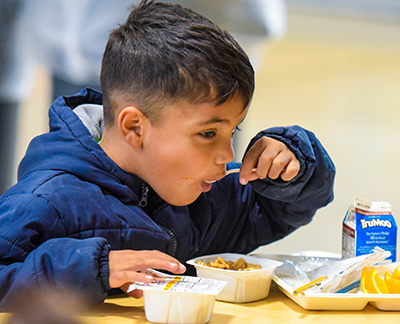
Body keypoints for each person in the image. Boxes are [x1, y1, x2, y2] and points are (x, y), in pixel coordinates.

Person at [0, 0, 335, 311]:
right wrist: (93, 267)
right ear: (134, 127)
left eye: (232, 131)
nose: (227, 154)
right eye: (208, 134)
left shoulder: (200, 196)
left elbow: (276, 211)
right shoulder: (47, 200)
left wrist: (293, 164)